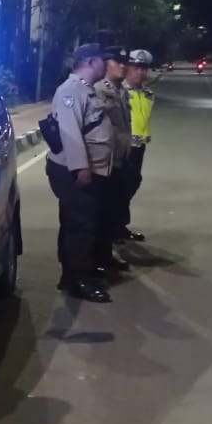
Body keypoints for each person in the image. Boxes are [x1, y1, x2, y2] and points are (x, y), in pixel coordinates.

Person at [45, 43, 115, 304]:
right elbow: (71, 132)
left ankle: (72, 275)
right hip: (72, 171)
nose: (106, 65)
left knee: (75, 222)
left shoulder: (85, 89)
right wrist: (81, 167)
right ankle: (79, 280)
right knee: (81, 226)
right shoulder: (71, 90)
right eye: (103, 61)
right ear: (90, 62)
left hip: (83, 169)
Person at [94, 47, 134, 269]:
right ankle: (98, 258)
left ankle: (106, 254)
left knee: (113, 211)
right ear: (106, 63)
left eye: (124, 62)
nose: (123, 66)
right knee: (102, 212)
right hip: (104, 161)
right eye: (118, 62)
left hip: (120, 160)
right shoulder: (98, 90)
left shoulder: (121, 91)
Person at [121, 49, 156, 241]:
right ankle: (112, 228)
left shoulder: (148, 94)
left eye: (143, 68)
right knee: (120, 189)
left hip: (139, 147)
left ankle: (120, 226)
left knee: (132, 184)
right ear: (127, 68)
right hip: (123, 148)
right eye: (136, 67)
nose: (140, 72)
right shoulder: (119, 92)